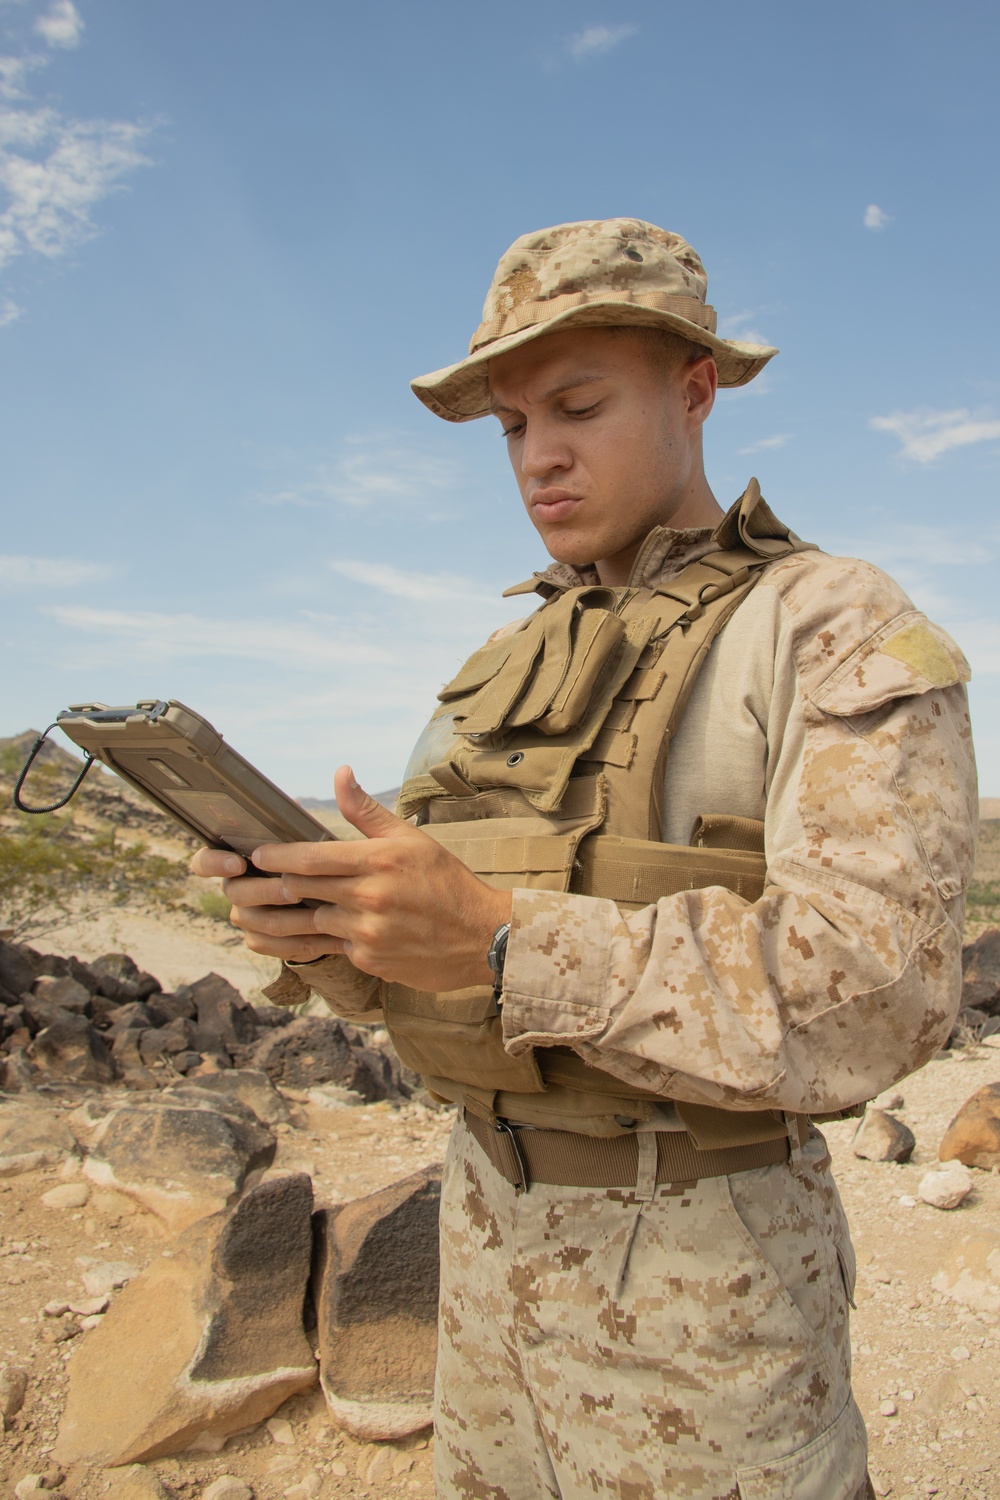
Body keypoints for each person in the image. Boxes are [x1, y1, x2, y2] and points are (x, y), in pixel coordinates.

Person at [192, 218, 978, 1500]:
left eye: (576, 405)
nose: (537, 455)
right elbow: (428, 980)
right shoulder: (500, 667)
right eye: (511, 427)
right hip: (486, 1251)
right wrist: (329, 940)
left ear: (693, 388)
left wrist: (510, 942)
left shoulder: (830, 624)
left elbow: (882, 991)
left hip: (706, 1285)